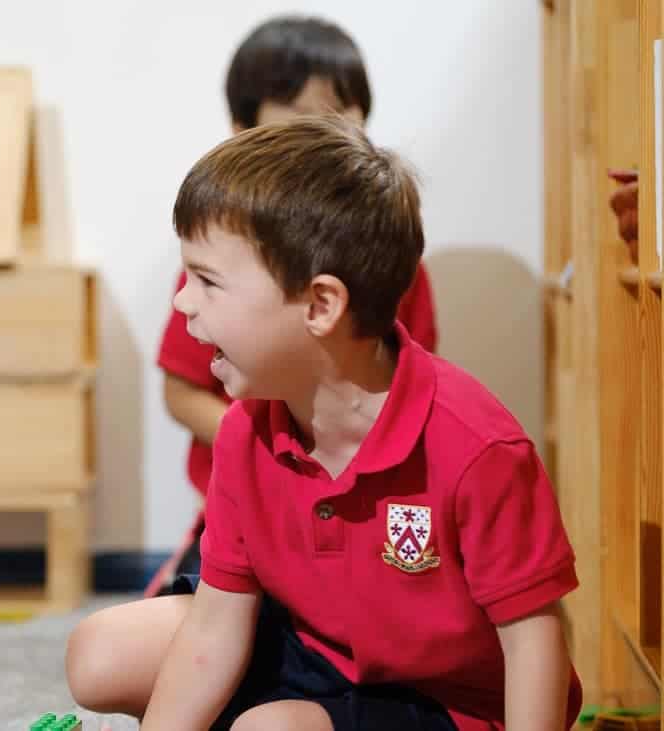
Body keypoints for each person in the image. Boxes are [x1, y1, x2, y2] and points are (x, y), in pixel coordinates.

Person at [66, 116, 581, 730]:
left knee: (270, 730)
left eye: (207, 280)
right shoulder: (245, 429)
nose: (183, 302)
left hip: (446, 703)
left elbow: (533, 643)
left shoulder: (478, 447)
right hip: (316, 648)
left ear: (319, 305)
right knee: (97, 654)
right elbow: (213, 630)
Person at [146, 14, 439, 596]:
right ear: (242, 134)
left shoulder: (397, 265)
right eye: (300, 124)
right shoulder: (215, 275)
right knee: (134, 649)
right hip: (247, 512)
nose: (319, 143)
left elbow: (416, 388)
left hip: (362, 518)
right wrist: (265, 445)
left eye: (339, 122)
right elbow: (180, 389)